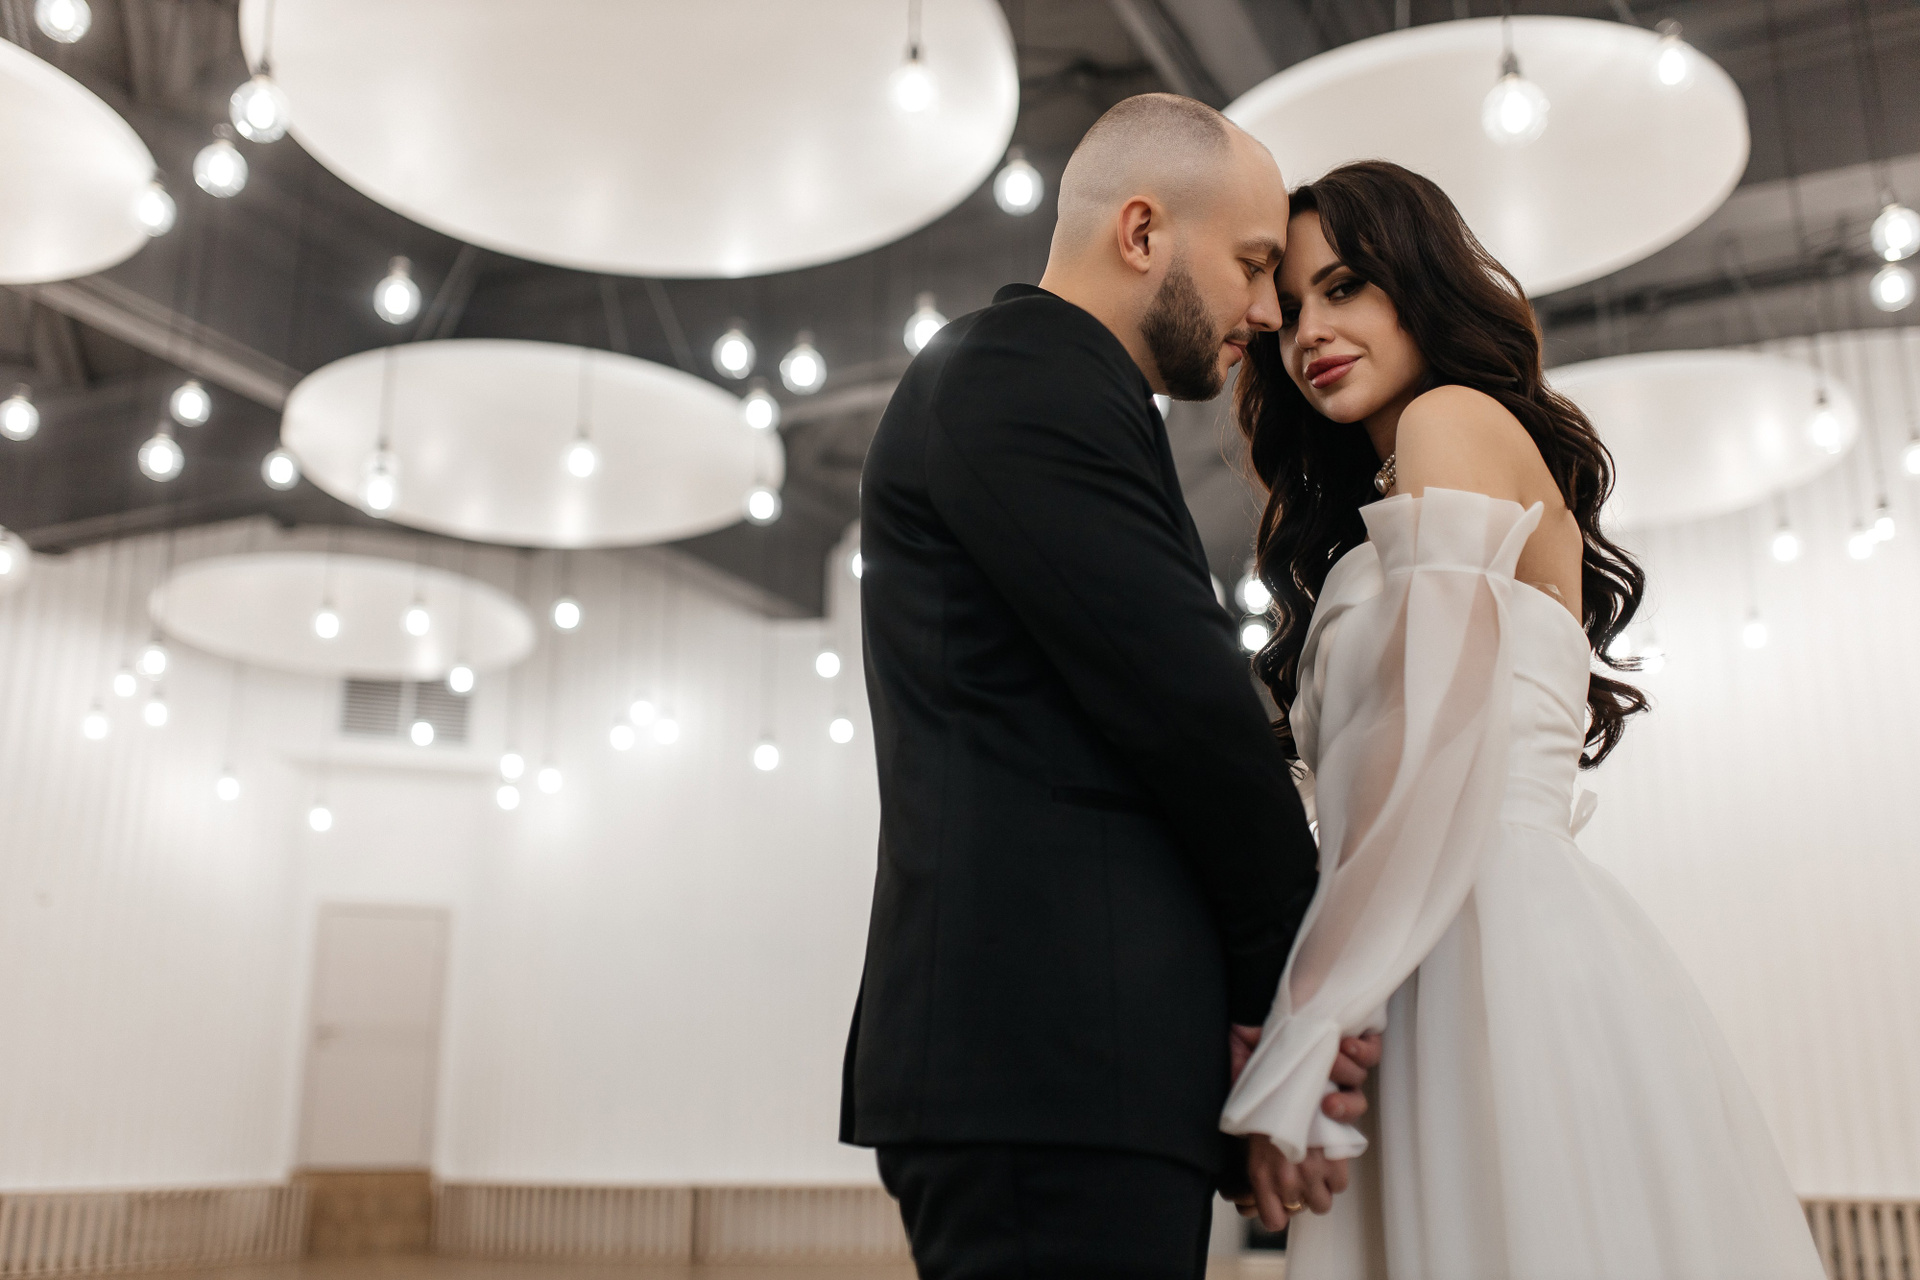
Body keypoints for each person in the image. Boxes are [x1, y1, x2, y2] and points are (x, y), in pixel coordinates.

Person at [1220, 159, 1826, 1279]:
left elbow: (1430, 746)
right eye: (1290, 310)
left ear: (1420, 284)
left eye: (1346, 287)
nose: (1310, 334)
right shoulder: (1389, 489)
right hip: (1425, 939)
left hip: (1476, 939)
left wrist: (1310, 1017)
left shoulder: (1450, 419)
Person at [841, 94, 1379, 1279]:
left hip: (1079, 1059)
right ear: (1142, 231)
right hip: (1044, 1055)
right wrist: (1294, 998)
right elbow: (1186, 710)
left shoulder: (1066, 392)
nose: (1269, 312)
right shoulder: (1020, 374)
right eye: (1253, 264)